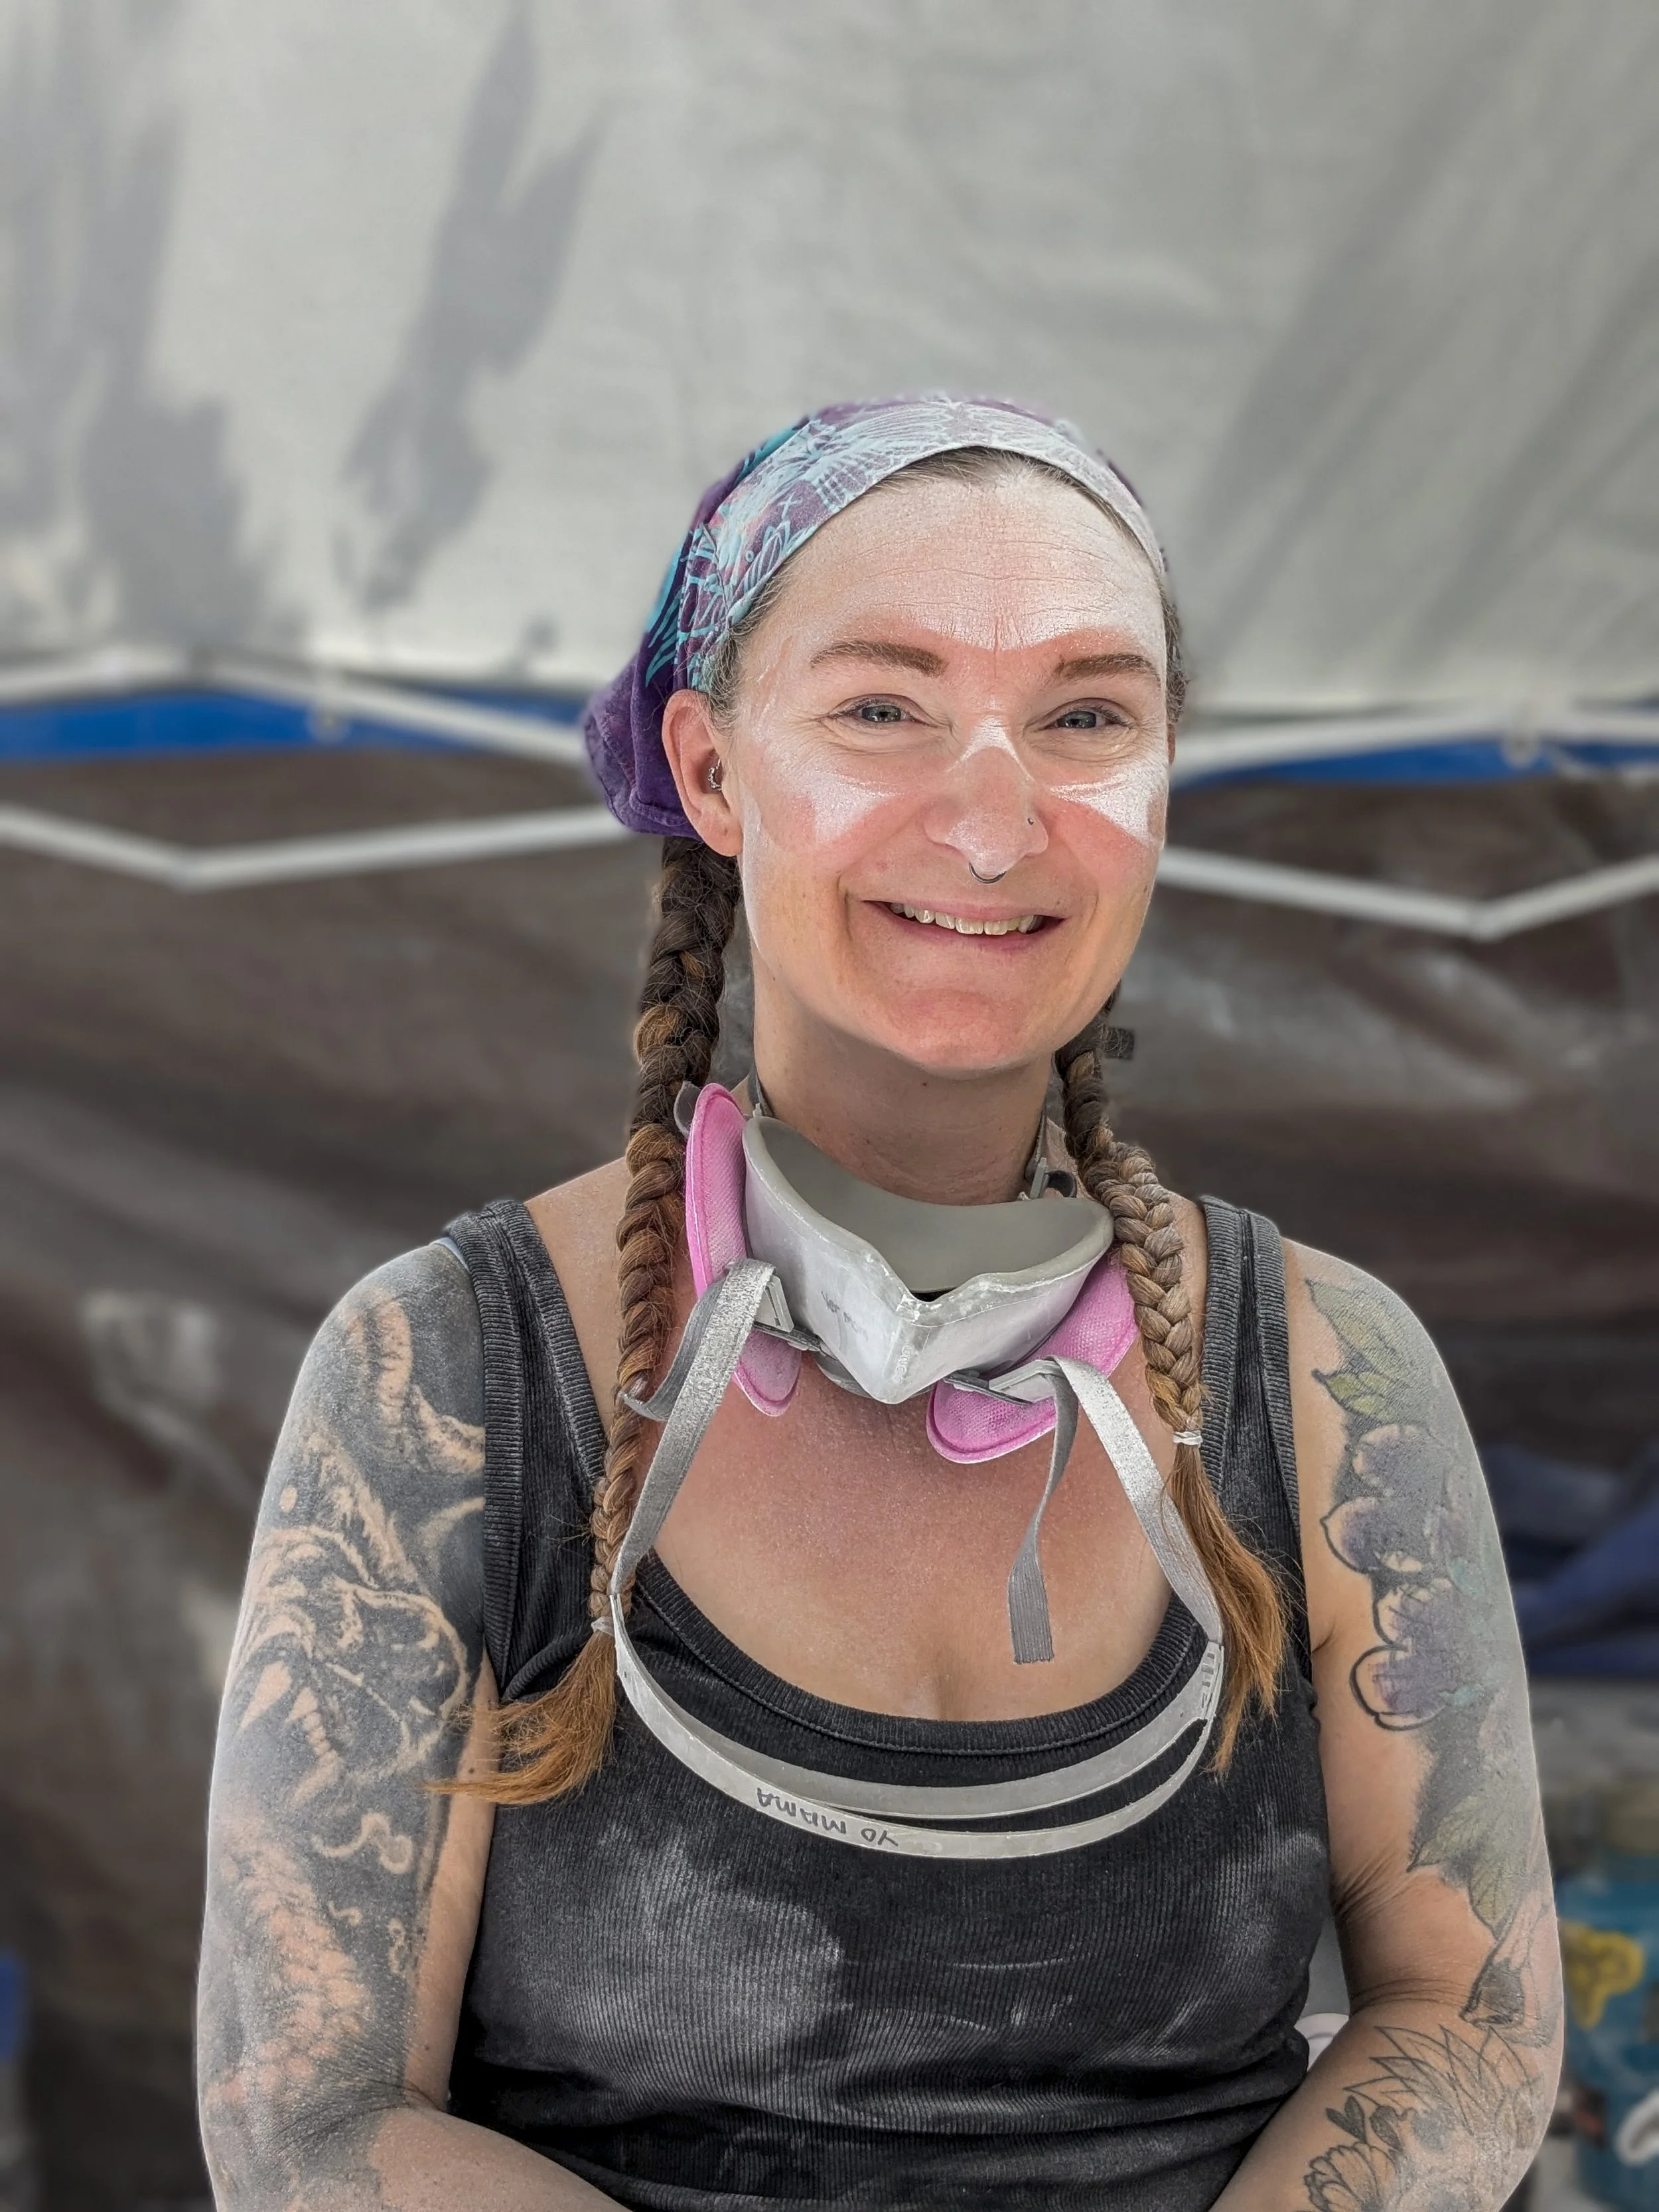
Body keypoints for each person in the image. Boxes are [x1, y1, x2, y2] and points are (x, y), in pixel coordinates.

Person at [196, 396, 1560, 2209]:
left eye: (1086, 716)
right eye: (881, 709)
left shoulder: (1322, 1374)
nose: (993, 823)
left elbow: (1467, 2012)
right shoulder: (447, 1371)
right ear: (709, 770)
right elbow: (312, 2115)